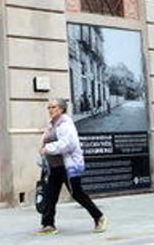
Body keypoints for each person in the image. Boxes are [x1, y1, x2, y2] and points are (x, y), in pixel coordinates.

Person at [38, 98, 107, 235]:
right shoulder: (52, 124)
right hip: (53, 166)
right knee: (50, 195)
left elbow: (67, 144)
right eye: (49, 107)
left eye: (53, 107)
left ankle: (99, 217)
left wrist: (48, 149)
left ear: (62, 109)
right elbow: (46, 141)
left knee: (77, 193)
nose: (50, 110)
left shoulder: (65, 124)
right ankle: (48, 224)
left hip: (68, 166)